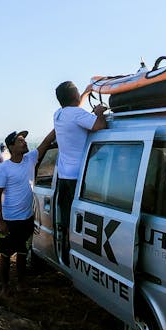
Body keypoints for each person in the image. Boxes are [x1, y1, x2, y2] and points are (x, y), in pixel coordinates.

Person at [0, 127, 56, 289]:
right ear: (11, 147)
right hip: (9, 220)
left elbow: (46, 142)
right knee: (5, 256)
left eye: (24, 139)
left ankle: (21, 284)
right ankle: (5, 287)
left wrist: (60, 121)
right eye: (20, 140)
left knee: (22, 253)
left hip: (27, 218)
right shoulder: (2, 169)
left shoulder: (30, 159)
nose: (24, 142)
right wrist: (1, 221)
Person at [53, 82, 107, 265]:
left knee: (68, 218)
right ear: (74, 97)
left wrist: (86, 91)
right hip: (79, 176)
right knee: (80, 219)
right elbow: (99, 125)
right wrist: (99, 112)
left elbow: (76, 108)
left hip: (64, 175)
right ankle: (77, 255)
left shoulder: (59, 114)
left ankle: (66, 254)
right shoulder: (77, 114)